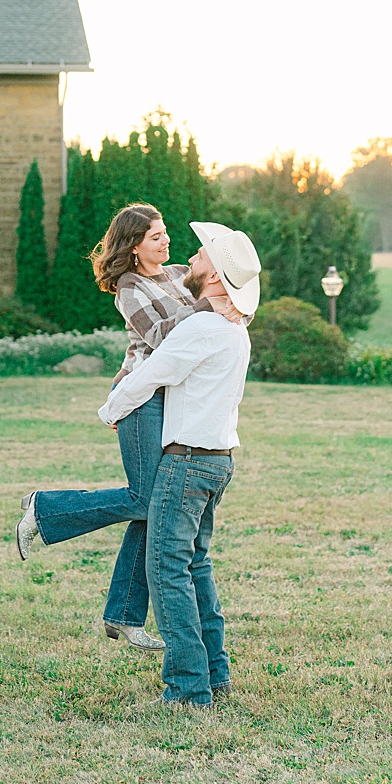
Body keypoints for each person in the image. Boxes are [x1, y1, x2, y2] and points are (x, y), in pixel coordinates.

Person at [14, 203, 240, 652]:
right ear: (134, 246)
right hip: (142, 398)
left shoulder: (179, 274)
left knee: (155, 504)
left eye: (165, 231)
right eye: (155, 236)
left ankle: (123, 615)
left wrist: (229, 304)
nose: (166, 240)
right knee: (145, 498)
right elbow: (161, 337)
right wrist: (209, 304)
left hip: (169, 397)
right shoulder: (129, 288)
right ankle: (45, 509)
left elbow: (227, 306)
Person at [98, 221, 259, 707]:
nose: (190, 257)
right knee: (195, 566)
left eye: (202, 255)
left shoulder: (200, 328)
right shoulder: (234, 330)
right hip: (218, 461)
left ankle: (189, 689)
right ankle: (215, 674)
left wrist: (110, 411)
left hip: (186, 463)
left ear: (215, 277)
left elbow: (150, 374)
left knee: (168, 571)